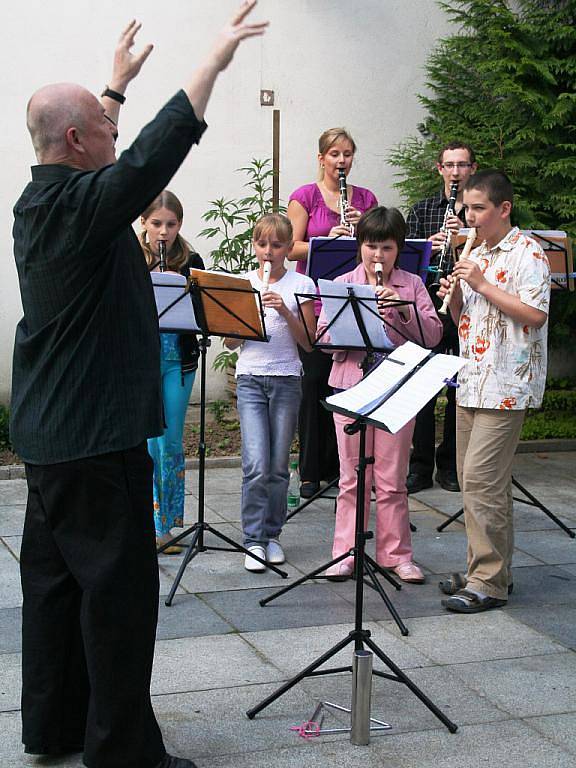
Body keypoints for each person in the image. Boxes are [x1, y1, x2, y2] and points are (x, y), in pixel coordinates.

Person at [10, 5, 268, 768]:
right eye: (102, 123)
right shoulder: (81, 209)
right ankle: (122, 752)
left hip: (53, 439)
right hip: (94, 439)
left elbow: (103, 147)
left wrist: (113, 85)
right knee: (118, 598)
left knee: (57, 591)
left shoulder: (46, 201)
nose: (112, 130)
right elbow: (144, 161)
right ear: (78, 142)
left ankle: (54, 729)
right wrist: (210, 66)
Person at [437, 170, 550, 613]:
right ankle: (487, 570)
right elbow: (467, 318)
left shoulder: (529, 253)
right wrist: (459, 293)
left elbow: (534, 315)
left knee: (483, 480)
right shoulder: (476, 249)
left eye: (479, 208)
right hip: (472, 379)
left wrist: (482, 283)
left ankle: (488, 581)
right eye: (467, 208)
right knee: (475, 482)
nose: (470, 217)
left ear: (504, 208)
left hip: (507, 384)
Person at [318, 207, 442, 583]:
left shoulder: (413, 285)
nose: (377, 256)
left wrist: (400, 312)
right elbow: (322, 340)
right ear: (360, 246)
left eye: (386, 248)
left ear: (398, 249)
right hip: (351, 385)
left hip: (395, 390)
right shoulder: (343, 283)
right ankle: (345, 554)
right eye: (371, 247)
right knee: (351, 478)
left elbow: (433, 335)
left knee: (391, 479)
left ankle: (396, 555)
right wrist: (356, 316)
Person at [287, 128, 378, 498]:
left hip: (353, 298)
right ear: (321, 157)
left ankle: (346, 467)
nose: (342, 161)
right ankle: (310, 470)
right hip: (315, 300)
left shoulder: (367, 198)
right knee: (313, 383)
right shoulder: (304, 196)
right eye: (334, 154)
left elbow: (379, 246)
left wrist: (359, 235)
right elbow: (290, 248)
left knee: (349, 384)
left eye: (348, 154)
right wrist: (326, 244)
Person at [224, 213, 316, 571]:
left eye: (277, 245)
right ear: (254, 245)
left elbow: (308, 343)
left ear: (289, 249)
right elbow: (230, 342)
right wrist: (253, 316)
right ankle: (252, 540)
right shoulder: (243, 283)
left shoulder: (301, 284)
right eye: (262, 244)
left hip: (287, 379)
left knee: (278, 465)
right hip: (250, 379)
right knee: (256, 463)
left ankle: (273, 535)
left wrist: (285, 310)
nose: (269, 251)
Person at [405, 141, 478, 494]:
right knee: (423, 387)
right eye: (449, 165)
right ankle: (419, 466)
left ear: (472, 169)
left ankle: (450, 464)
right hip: (429, 304)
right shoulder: (421, 211)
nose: (455, 172)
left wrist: (462, 235)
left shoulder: (482, 213)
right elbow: (404, 262)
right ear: (439, 169)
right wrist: (426, 246)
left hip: (466, 307)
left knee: (458, 389)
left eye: (462, 165)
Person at [139, 190, 204, 554]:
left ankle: (168, 526)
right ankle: (147, 523)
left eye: (171, 224)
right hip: (143, 362)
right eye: (156, 224)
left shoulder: (190, 260)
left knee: (170, 441)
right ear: (143, 224)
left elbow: (206, 310)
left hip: (179, 361)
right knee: (147, 443)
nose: (164, 232)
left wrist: (177, 286)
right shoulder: (131, 257)